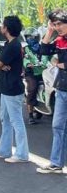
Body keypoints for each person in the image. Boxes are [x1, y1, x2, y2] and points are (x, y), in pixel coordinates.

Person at [0, 16, 30, 163]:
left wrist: (0, 64)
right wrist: (1, 64)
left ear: (7, 28)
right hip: (6, 87)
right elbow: (0, 63)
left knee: (16, 121)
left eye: (3, 25)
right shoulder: (9, 44)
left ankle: (22, 154)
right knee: (5, 119)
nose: (1, 27)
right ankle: (4, 149)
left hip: (12, 87)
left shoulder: (13, 45)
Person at [36, 9, 67, 174]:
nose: (57, 27)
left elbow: (61, 63)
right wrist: (49, 31)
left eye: (60, 24)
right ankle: (56, 163)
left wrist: (61, 64)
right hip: (62, 89)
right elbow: (43, 51)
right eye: (55, 24)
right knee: (57, 126)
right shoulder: (60, 40)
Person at [23, 32, 49, 125]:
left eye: (31, 37)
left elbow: (48, 57)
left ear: (37, 38)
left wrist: (47, 63)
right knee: (32, 88)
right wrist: (28, 64)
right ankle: (30, 115)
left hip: (44, 72)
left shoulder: (43, 47)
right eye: (28, 37)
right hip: (32, 73)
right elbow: (25, 59)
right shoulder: (26, 48)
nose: (29, 39)